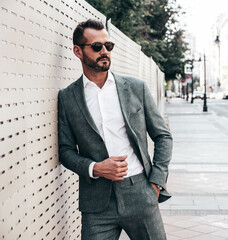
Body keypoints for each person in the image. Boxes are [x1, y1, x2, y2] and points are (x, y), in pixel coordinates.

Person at [58, 19, 173, 240]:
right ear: (77, 51)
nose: (104, 51)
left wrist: (156, 182)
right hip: (96, 204)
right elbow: (65, 151)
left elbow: (163, 135)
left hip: (140, 192)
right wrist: (95, 168)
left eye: (108, 46)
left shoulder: (136, 88)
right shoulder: (68, 97)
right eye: (96, 46)